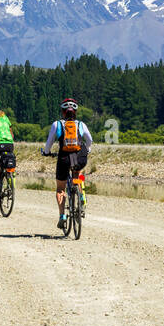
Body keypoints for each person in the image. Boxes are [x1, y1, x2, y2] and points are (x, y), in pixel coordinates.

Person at [42, 98, 93, 229]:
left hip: (64, 158)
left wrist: (46, 152)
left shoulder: (57, 124)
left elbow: (49, 144)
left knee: (60, 189)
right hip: (78, 157)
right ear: (75, 112)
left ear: (63, 112)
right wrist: (87, 149)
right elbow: (89, 139)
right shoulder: (81, 124)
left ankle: (62, 216)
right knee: (78, 174)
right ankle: (81, 196)